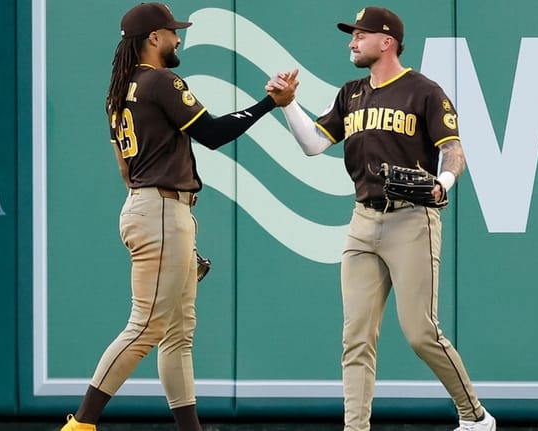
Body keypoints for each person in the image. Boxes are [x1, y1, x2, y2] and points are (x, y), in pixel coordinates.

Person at [60, 3, 297, 431]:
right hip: (162, 212)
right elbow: (211, 134)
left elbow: (124, 169)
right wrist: (270, 103)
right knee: (147, 326)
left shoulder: (119, 90)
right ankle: (81, 424)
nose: (178, 38)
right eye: (172, 32)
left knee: (178, 332)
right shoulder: (160, 80)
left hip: (149, 207)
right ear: (153, 37)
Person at [267, 6, 496, 431]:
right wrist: (288, 105)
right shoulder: (351, 92)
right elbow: (315, 143)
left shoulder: (423, 91)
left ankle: (475, 416)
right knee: (355, 339)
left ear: (386, 41)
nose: (352, 42)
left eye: (359, 35)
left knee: (420, 333)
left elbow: (454, 149)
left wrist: (443, 181)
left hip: (411, 221)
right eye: (352, 36)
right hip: (362, 222)